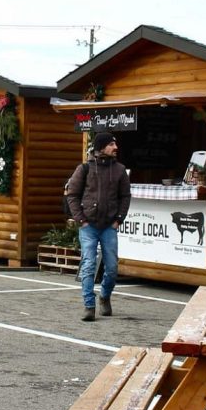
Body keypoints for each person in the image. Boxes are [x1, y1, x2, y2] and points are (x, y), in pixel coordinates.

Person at [66, 132, 131, 321]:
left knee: (112, 267)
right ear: (101, 147)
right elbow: (72, 195)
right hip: (88, 226)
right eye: (111, 144)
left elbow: (125, 197)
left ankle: (104, 296)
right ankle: (89, 305)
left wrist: (119, 219)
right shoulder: (85, 168)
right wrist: (81, 219)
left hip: (109, 226)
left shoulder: (120, 169)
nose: (115, 148)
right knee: (88, 264)